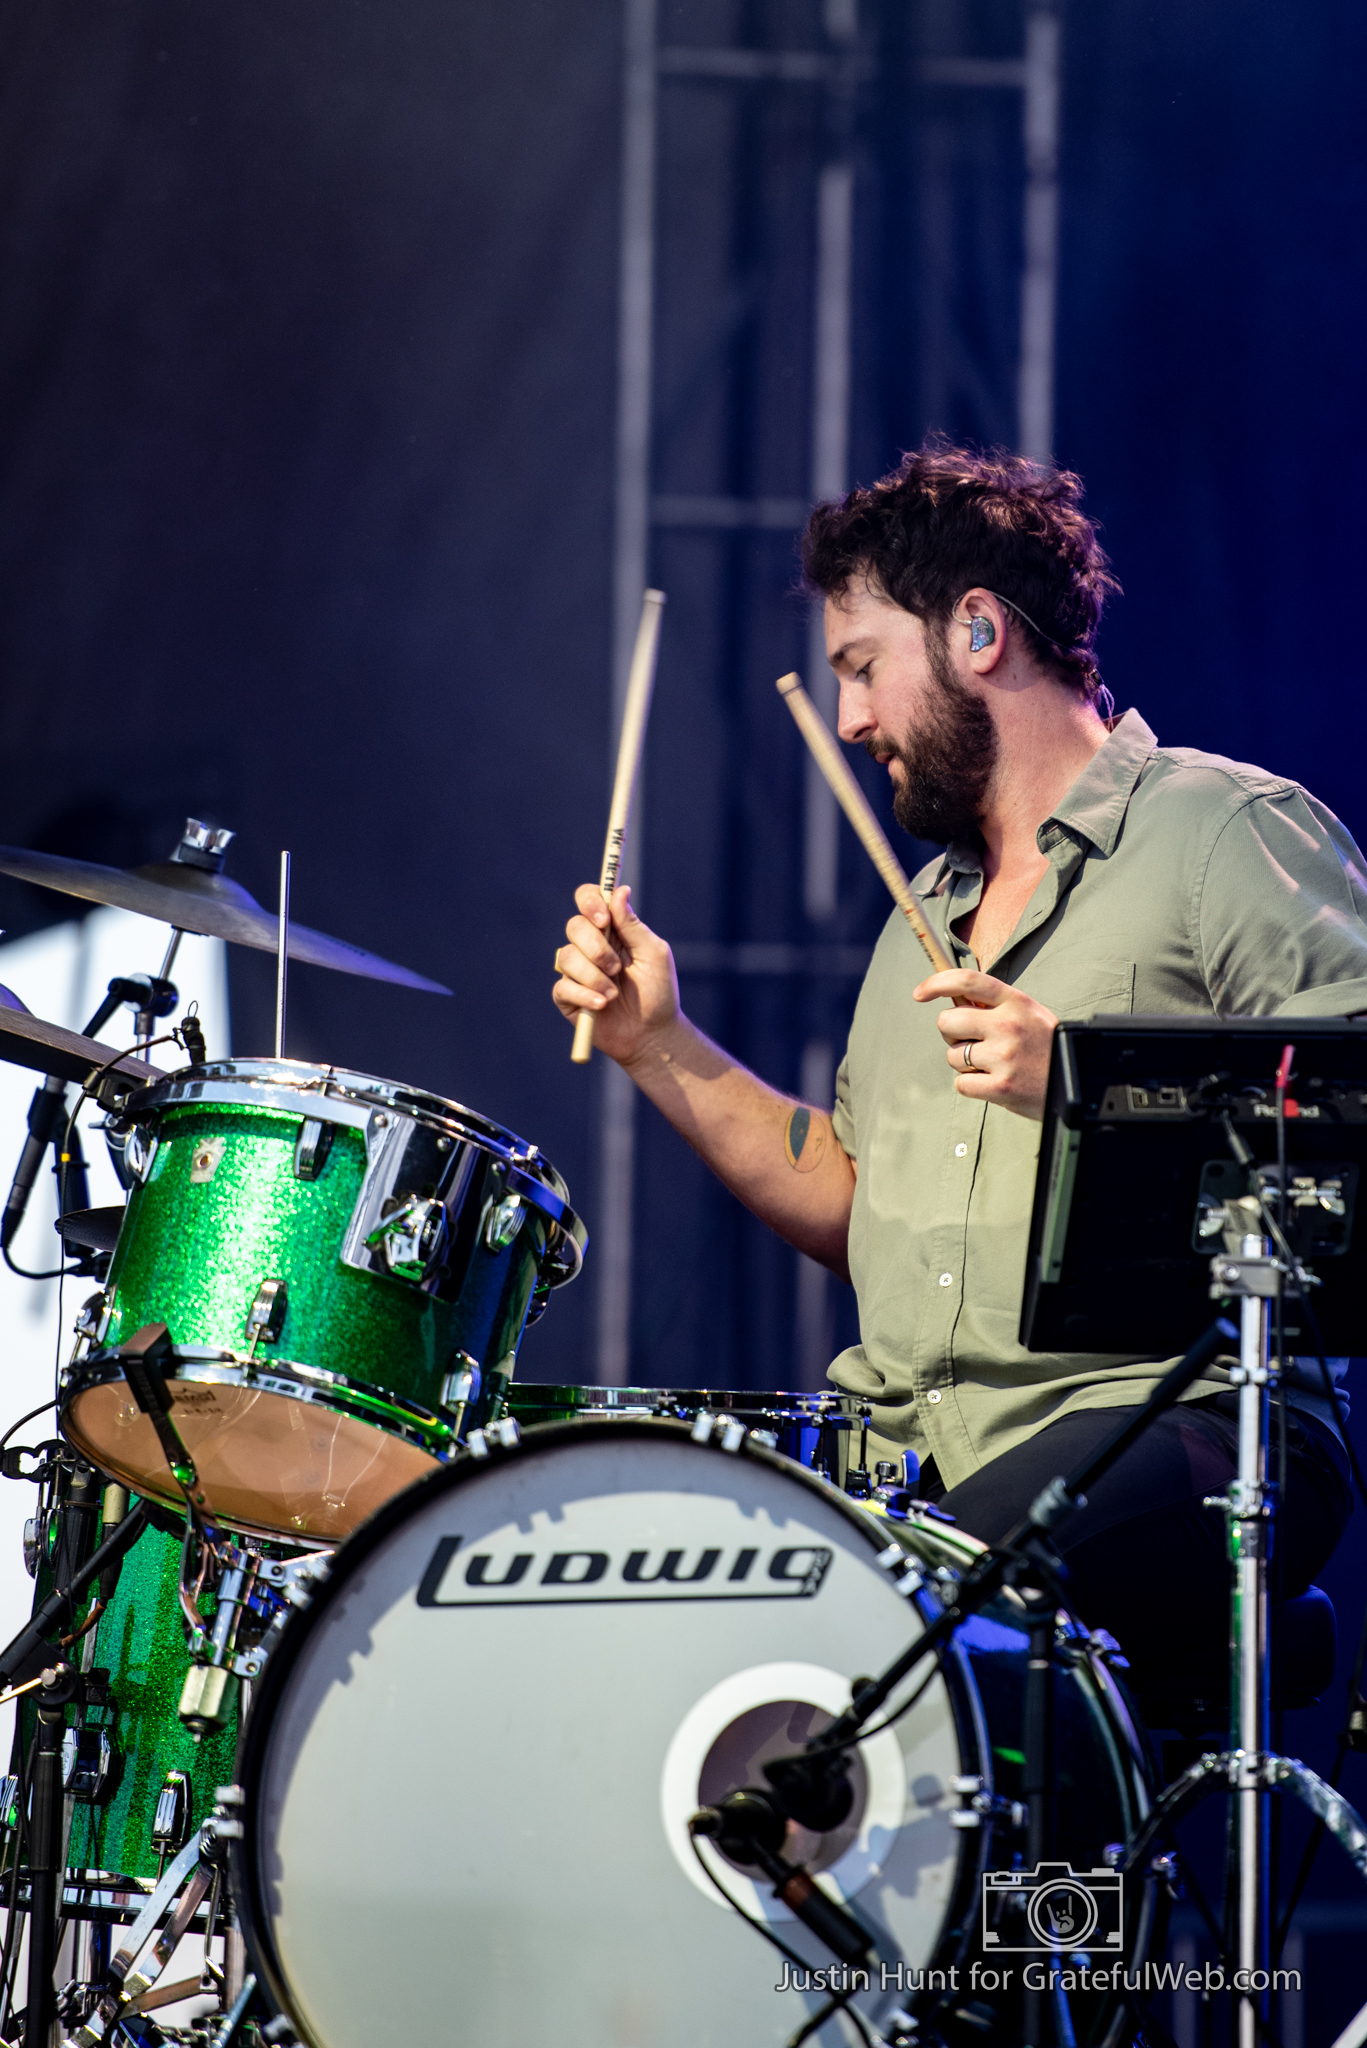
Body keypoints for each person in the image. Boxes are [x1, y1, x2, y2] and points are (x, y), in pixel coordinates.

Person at [552, 442, 1360, 1695]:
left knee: (879, 1615)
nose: (850, 718)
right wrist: (656, 1042)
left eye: (862, 665)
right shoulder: (918, 915)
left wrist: (1087, 1081)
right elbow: (852, 1201)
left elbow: (1351, 1113)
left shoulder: (1220, 834)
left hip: (1198, 1426)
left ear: (978, 629)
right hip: (916, 1462)